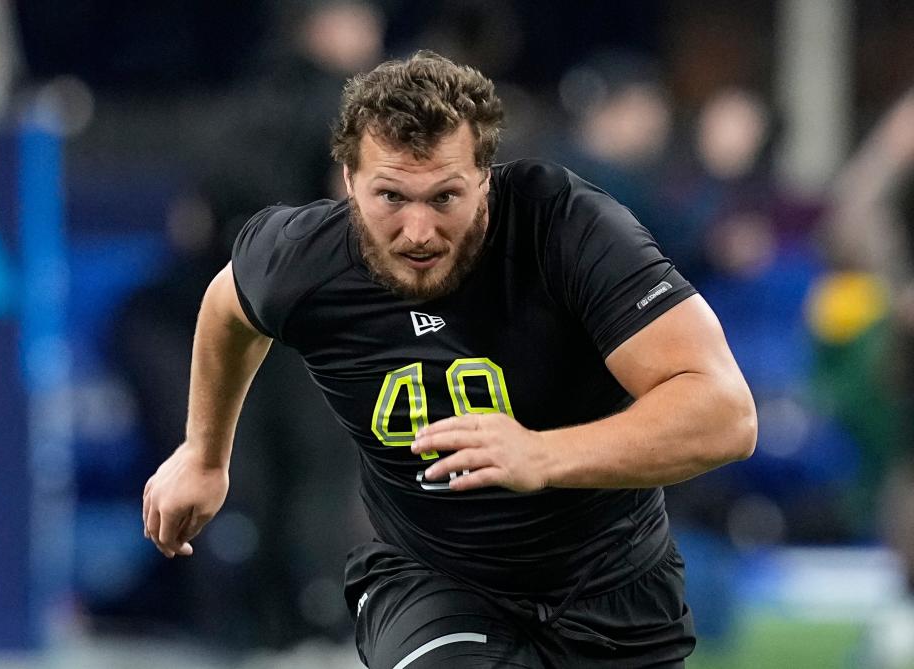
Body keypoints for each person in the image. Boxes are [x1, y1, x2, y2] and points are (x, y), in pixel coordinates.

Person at [142, 51, 757, 668]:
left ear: (486, 177)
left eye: (444, 197)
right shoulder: (303, 256)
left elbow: (727, 414)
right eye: (390, 196)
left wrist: (542, 454)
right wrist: (203, 454)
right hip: (432, 581)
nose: (417, 231)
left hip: (613, 585)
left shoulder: (567, 229)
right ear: (347, 181)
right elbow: (228, 305)